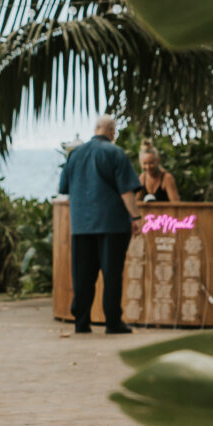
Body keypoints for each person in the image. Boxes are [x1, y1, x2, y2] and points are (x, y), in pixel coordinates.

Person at [58, 116, 142, 336]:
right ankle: (113, 322)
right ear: (112, 131)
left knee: (83, 276)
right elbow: (126, 190)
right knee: (112, 275)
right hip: (112, 224)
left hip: (81, 225)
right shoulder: (115, 153)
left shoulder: (74, 155)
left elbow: (64, 188)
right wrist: (135, 217)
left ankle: (81, 322)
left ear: (95, 129)